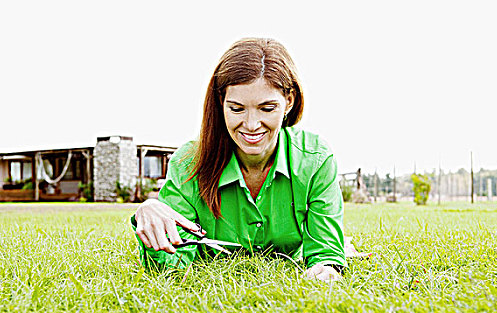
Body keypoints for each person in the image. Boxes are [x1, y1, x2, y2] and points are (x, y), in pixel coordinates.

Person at [132, 38, 345, 282]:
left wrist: (328, 267)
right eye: (236, 109)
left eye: (267, 109)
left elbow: (326, 255)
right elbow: (173, 264)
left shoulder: (315, 159)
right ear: (221, 101)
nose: (252, 125)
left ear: (289, 101)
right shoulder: (187, 163)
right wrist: (149, 215)